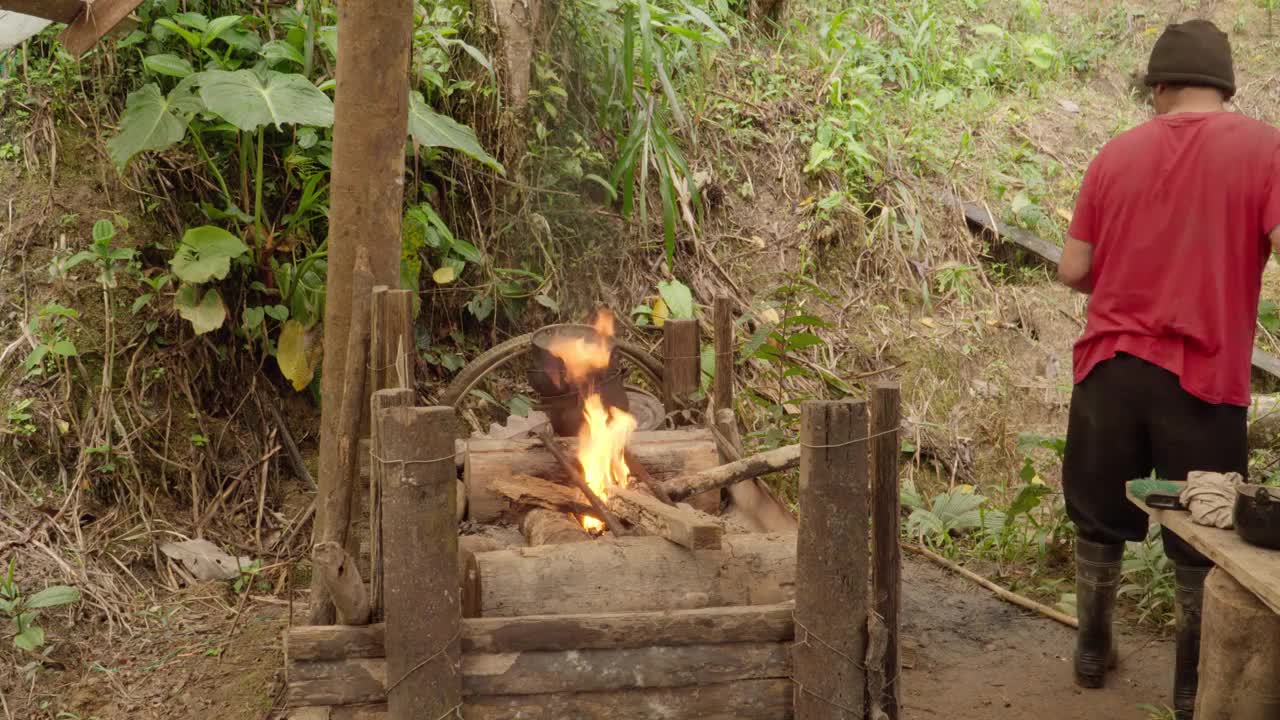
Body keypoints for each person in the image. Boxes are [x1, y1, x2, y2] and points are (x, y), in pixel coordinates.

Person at [1057, 19, 1280, 719]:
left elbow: (1073, 269)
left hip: (1109, 368)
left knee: (1097, 518)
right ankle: (1190, 689)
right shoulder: (1266, 149)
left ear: (1158, 87)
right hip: (1203, 379)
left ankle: (1091, 652)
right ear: (1225, 87)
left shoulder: (1115, 154)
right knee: (1204, 530)